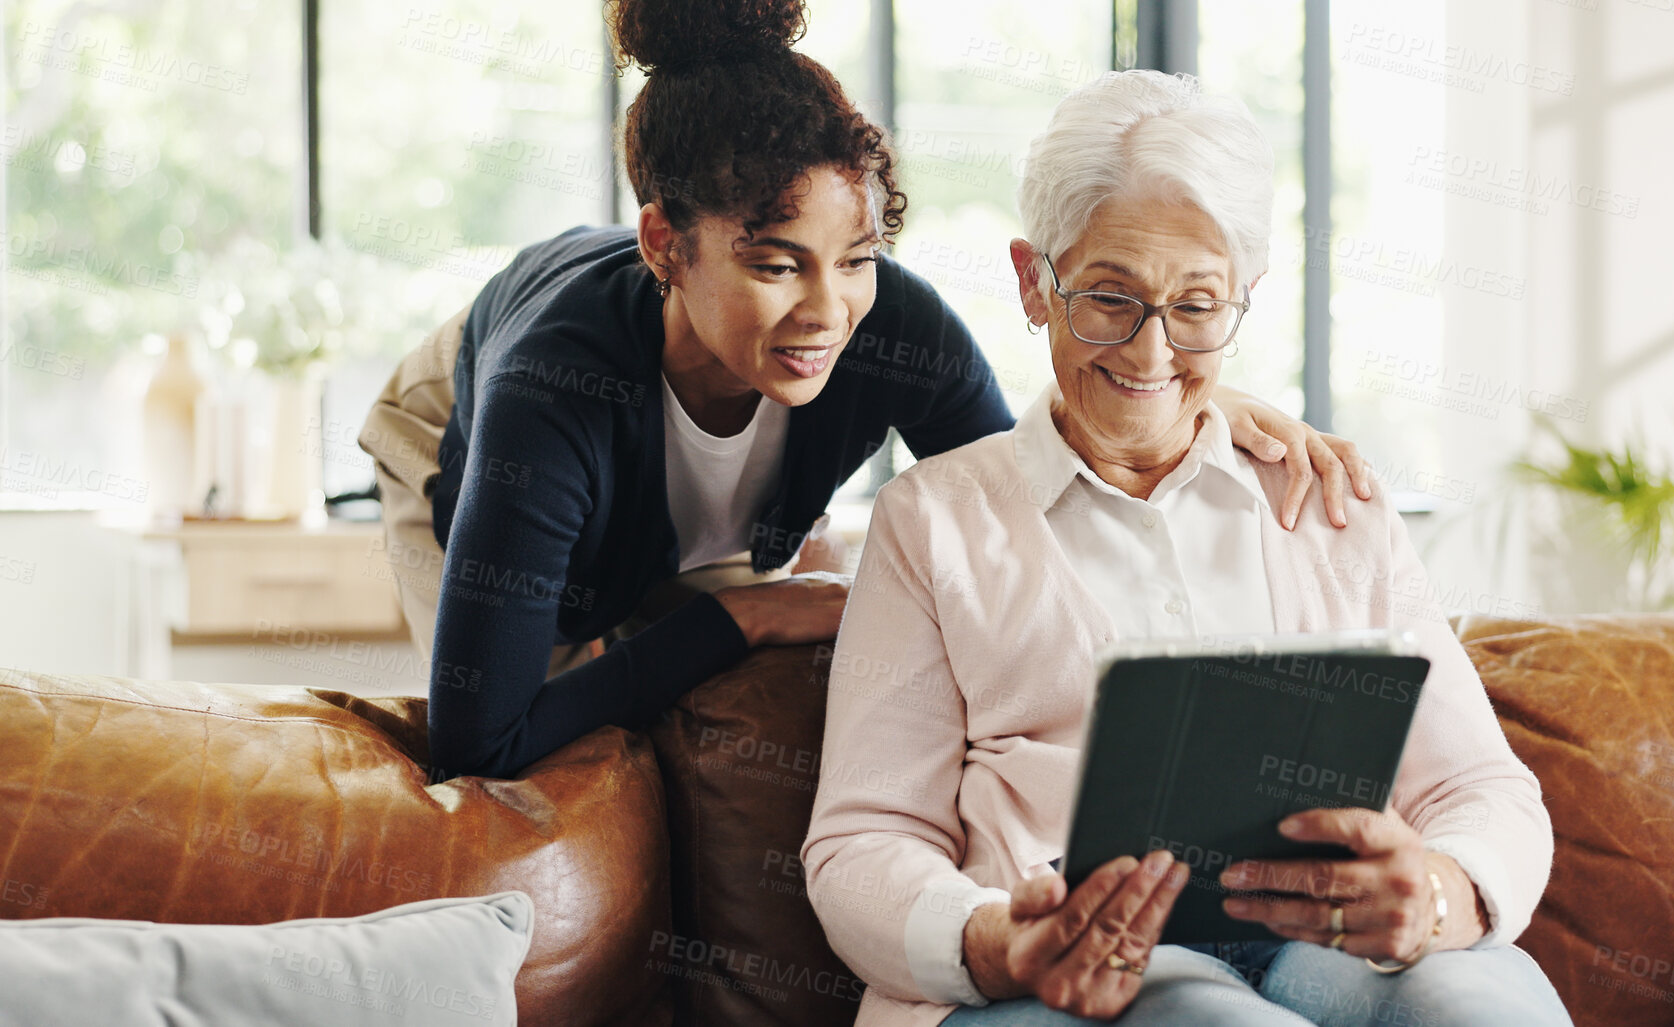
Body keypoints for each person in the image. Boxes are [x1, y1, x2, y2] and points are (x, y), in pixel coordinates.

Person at [357, 0, 1371, 782]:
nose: (826, 312)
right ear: (665, 243)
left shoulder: (891, 327)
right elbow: (480, 738)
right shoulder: (550, 392)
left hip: (655, 499)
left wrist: (1186, 407)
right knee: (528, 757)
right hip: (458, 422)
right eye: (775, 264)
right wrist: (744, 618)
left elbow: (1019, 491)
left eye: (856, 258)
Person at [800, 70, 1573, 1027]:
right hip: (1053, 981)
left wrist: (1443, 892)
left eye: (1196, 306)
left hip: (1317, 945)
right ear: (1034, 282)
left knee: (1475, 1003)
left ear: (1244, 298)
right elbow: (863, 840)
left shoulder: (1327, 500)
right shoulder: (932, 522)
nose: (1150, 353)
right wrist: (997, 940)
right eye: (1109, 298)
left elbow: (1479, 785)